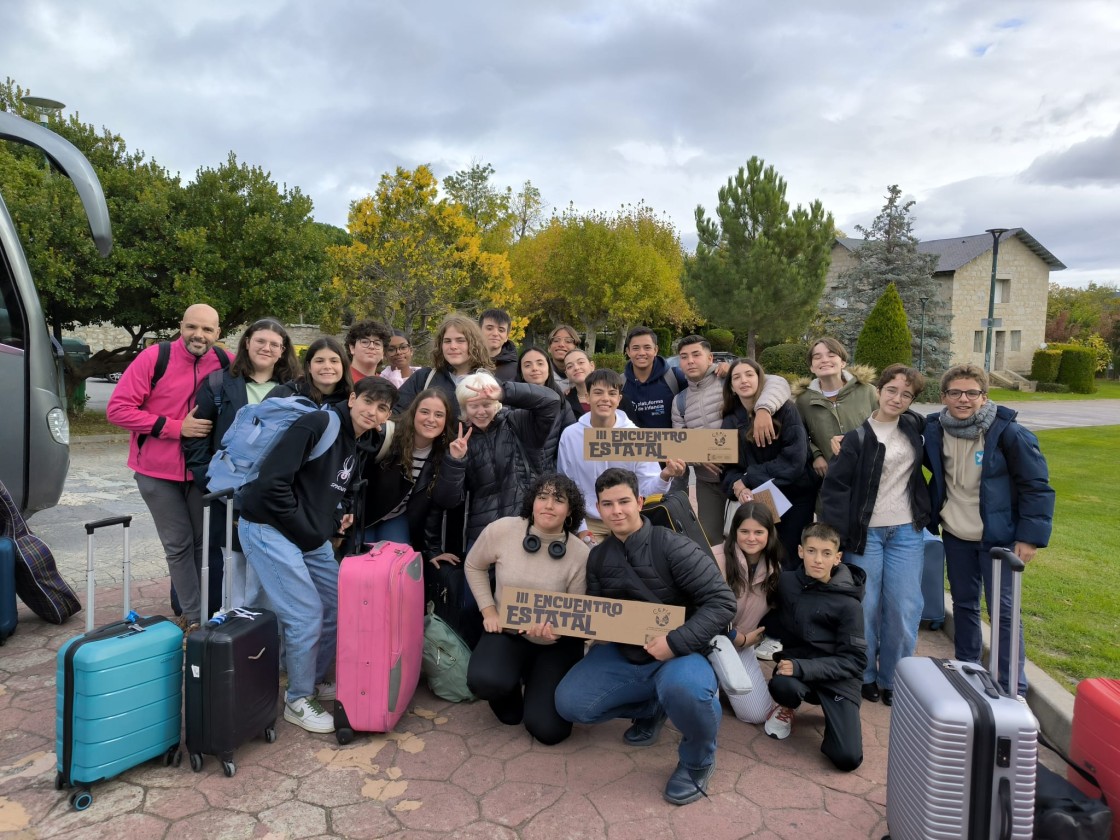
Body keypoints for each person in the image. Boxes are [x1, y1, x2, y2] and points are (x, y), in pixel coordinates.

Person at [554, 468, 736, 806]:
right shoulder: (598, 557)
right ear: (598, 508)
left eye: (624, 501)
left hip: (682, 652)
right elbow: (598, 616)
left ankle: (698, 759)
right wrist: (558, 624)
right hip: (629, 654)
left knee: (687, 690)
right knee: (570, 703)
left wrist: (675, 642)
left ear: (639, 502)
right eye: (607, 504)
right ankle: (654, 707)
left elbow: (723, 602)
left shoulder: (673, 547)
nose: (617, 511)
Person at [238, 375, 394, 734]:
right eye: (368, 402)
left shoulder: (359, 441)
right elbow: (270, 485)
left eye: (382, 408)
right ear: (353, 398)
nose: (373, 412)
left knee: (340, 603)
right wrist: (311, 530)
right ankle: (297, 699)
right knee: (305, 613)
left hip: (305, 534)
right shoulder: (319, 423)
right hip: (267, 528)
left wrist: (336, 516)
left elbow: (328, 490)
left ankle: (313, 678)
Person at [923, 364, 1054, 696]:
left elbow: (1036, 487)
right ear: (944, 396)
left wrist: (1029, 538)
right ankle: (967, 670)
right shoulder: (935, 431)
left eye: (971, 393)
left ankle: (1013, 687)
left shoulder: (1009, 433)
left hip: (999, 538)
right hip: (956, 533)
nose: (963, 399)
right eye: (955, 392)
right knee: (965, 604)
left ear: (984, 396)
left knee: (1004, 611)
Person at [106, 303, 230, 631]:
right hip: (156, 473)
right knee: (178, 545)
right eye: (192, 327)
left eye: (207, 330)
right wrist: (176, 428)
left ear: (218, 334)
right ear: (181, 326)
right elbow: (117, 410)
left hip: (200, 472)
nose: (198, 335)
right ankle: (193, 617)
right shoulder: (154, 357)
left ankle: (206, 611)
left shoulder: (224, 361)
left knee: (204, 545)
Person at [819, 364, 931, 706]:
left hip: (907, 532)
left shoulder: (914, 426)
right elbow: (834, 490)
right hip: (866, 535)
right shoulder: (857, 439)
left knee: (904, 607)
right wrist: (835, 539)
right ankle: (864, 673)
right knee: (866, 607)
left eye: (906, 394)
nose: (897, 399)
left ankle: (894, 677)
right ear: (879, 391)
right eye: (892, 390)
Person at [183, 318, 300, 611]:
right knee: (233, 563)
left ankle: (266, 628)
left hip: (275, 492)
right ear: (247, 342)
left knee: (271, 561)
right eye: (260, 341)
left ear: (283, 350)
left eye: (275, 344)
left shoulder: (295, 388)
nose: (267, 348)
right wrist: (205, 479)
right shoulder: (219, 384)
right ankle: (234, 630)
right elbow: (197, 435)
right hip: (228, 491)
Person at [464, 473, 589, 744]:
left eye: (558, 500)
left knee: (549, 731)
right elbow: (474, 565)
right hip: (508, 631)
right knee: (489, 685)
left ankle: (537, 681)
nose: (548, 505)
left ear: (569, 511)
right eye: (542, 497)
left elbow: (577, 614)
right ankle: (511, 689)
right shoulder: (503, 530)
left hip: (555, 643)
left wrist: (557, 633)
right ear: (532, 501)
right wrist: (488, 610)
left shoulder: (580, 554)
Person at [764, 522, 866, 773]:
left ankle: (838, 714)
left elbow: (854, 661)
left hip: (837, 676)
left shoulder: (849, 604)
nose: (817, 560)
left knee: (847, 759)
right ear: (800, 551)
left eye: (826, 553)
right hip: (797, 669)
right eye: (811, 551)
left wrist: (802, 667)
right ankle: (787, 705)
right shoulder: (786, 583)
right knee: (782, 684)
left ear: (838, 558)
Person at [672, 336, 789, 544]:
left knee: (765, 535)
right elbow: (680, 441)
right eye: (684, 357)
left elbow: (777, 382)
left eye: (696, 354)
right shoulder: (679, 401)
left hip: (749, 475)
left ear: (710, 358)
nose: (690, 360)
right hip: (708, 482)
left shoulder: (731, 380)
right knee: (709, 538)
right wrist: (698, 455)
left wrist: (763, 409)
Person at [556, 369, 686, 544]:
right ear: (587, 397)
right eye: (598, 392)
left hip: (629, 519)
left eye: (612, 393)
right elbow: (567, 483)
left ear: (619, 399)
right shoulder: (570, 435)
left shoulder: (635, 437)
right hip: (589, 522)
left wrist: (665, 475)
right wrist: (581, 527)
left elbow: (647, 490)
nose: (605, 399)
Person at [720, 357, 815, 566]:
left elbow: (795, 460)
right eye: (736, 377)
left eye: (749, 375)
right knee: (760, 559)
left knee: (790, 558)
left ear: (760, 380)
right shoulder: (730, 421)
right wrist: (737, 486)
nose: (743, 380)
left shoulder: (786, 410)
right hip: (759, 499)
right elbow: (728, 468)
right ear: (732, 388)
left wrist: (748, 478)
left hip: (794, 496)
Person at [359, 387, 463, 550]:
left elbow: (443, 503)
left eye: (439, 415)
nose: (431, 419)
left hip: (397, 517)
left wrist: (455, 462)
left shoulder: (443, 454)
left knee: (397, 562)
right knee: (362, 562)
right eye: (424, 412)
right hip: (363, 515)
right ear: (413, 413)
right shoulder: (387, 436)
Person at [717, 503, 785, 725]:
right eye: (744, 531)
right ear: (734, 530)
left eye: (759, 532)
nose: (751, 538)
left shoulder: (775, 568)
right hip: (708, 643)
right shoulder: (716, 557)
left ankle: (725, 683)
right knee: (705, 706)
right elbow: (702, 612)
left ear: (769, 533)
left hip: (741, 648)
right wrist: (739, 637)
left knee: (755, 714)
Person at [793, 337, 878, 479]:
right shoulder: (804, 400)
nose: (824, 360)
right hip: (831, 477)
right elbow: (799, 436)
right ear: (812, 367)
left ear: (843, 362)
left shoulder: (868, 391)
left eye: (831, 355)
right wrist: (816, 455)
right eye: (817, 357)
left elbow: (885, 425)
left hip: (869, 472)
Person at [395, 313, 495, 417]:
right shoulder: (424, 378)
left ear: (475, 344)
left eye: (460, 340)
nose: (453, 346)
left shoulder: (488, 383)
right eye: (447, 341)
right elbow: (395, 414)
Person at [516, 345, 576, 472]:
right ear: (521, 372)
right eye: (527, 365)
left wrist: (552, 474)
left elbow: (569, 445)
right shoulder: (510, 404)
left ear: (549, 368)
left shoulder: (562, 404)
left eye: (540, 363)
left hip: (550, 478)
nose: (534, 369)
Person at [621, 327, 686, 429]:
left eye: (647, 347)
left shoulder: (675, 377)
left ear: (655, 350)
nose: (642, 353)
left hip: (670, 444)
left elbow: (702, 383)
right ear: (628, 352)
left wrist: (718, 369)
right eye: (635, 348)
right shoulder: (620, 383)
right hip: (633, 444)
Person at [270, 336, 353, 406]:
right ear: (309, 367)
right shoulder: (282, 394)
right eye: (319, 361)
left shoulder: (351, 402)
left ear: (343, 365)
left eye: (334, 361)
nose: (327, 366)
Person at [562, 348, 637, 420]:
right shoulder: (564, 402)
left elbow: (633, 430)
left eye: (581, 362)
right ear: (566, 374)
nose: (576, 368)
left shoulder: (620, 399)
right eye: (570, 366)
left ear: (592, 365)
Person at [479, 308, 519, 383]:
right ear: (479, 331)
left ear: (506, 336)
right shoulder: (466, 363)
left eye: (501, 330)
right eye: (489, 328)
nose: (495, 334)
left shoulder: (518, 369)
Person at [546, 324, 581, 392]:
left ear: (575, 348)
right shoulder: (540, 374)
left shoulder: (584, 375)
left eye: (568, 341)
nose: (561, 344)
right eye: (556, 340)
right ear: (549, 347)